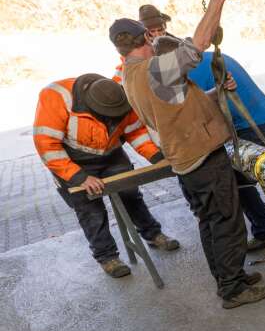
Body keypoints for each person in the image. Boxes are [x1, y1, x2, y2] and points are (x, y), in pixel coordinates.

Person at [111, 0, 265, 309]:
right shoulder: (153, 69)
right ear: (145, 39)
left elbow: (175, 106)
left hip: (186, 160)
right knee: (226, 220)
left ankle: (230, 278)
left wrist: (215, 93)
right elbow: (197, 46)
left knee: (211, 221)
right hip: (202, 157)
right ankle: (232, 288)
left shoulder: (130, 76)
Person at [139, 4, 265, 252]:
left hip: (249, 127)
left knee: (236, 181)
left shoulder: (188, 74)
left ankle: (264, 231)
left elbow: (200, 113)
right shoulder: (211, 58)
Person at [33, 73, 180, 277]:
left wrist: (157, 157)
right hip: (71, 161)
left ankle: (153, 234)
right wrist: (79, 177)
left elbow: (134, 132)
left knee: (130, 194)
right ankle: (107, 257)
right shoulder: (56, 96)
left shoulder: (118, 94)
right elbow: (47, 145)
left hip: (111, 154)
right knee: (90, 210)